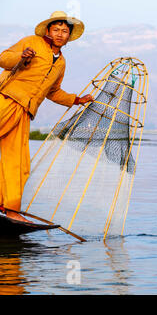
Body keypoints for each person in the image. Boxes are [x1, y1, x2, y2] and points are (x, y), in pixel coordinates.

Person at [0, 11, 93, 222]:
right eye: (56, 30)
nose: (60, 34)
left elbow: (53, 92)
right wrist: (21, 57)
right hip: (5, 100)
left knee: (19, 164)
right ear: (48, 31)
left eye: (65, 31)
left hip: (25, 111)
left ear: (69, 37)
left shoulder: (61, 62)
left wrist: (76, 100)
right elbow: (4, 59)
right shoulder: (31, 42)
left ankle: (10, 209)